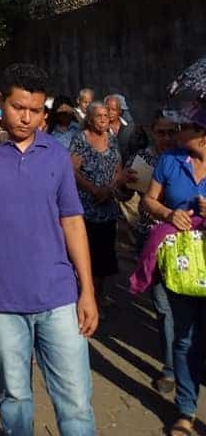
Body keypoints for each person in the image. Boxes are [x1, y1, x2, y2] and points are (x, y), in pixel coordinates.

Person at [0, 63, 97, 436]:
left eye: (34, 110)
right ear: (1, 103)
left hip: (59, 296)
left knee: (76, 404)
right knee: (14, 400)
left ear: (43, 112)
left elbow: (73, 222)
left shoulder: (56, 155)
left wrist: (88, 291)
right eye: (17, 108)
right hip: (2, 300)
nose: (25, 118)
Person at [141, 62, 206, 436]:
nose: (178, 132)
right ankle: (185, 410)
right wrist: (168, 212)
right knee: (184, 337)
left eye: (187, 128)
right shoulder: (169, 160)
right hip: (181, 262)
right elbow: (150, 201)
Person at [120, 112, 179, 394]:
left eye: (171, 132)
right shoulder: (143, 158)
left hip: (185, 242)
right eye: (161, 132)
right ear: (153, 133)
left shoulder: (186, 158)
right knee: (163, 305)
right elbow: (124, 195)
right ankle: (170, 368)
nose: (166, 138)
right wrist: (123, 181)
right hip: (151, 241)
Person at [70, 101, 122, 304]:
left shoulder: (113, 139)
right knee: (86, 256)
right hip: (86, 209)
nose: (103, 119)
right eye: (98, 116)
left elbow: (119, 168)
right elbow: (72, 170)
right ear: (89, 119)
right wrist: (94, 190)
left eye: (106, 116)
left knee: (103, 258)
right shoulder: (80, 140)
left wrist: (108, 189)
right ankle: (86, 296)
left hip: (107, 208)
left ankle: (98, 296)